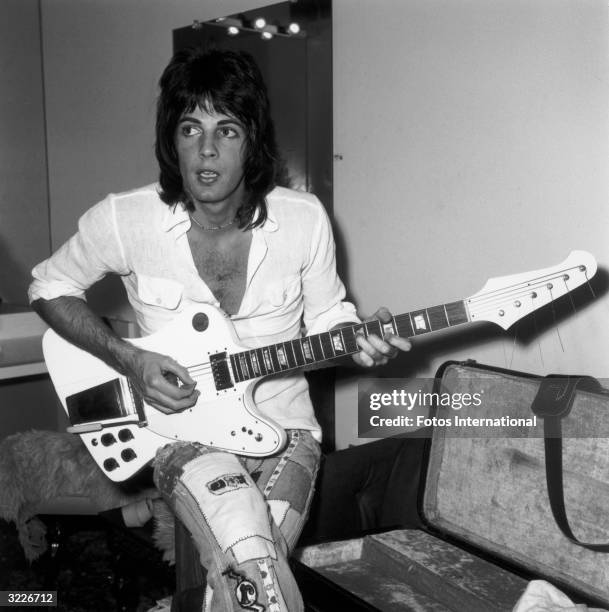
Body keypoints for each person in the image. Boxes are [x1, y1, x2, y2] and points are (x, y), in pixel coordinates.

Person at [29, 47, 411, 611]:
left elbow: (331, 321)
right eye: (190, 128)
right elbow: (48, 286)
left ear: (252, 140)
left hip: (285, 428)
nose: (206, 150)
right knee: (250, 551)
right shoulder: (125, 218)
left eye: (226, 130)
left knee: (249, 581)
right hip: (177, 431)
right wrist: (128, 360)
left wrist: (360, 343)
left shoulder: (304, 220)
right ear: (171, 138)